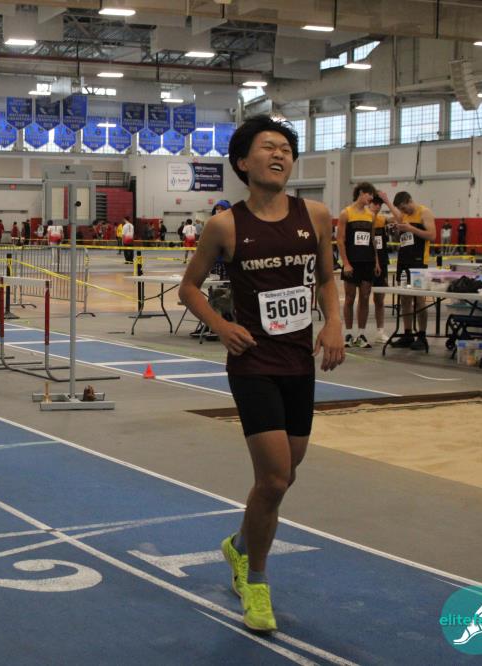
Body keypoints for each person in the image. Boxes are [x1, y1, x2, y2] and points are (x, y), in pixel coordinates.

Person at [178, 115, 344, 633]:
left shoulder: (315, 215)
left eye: (286, 149)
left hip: (298, 361)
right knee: (272, 477)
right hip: (252, 362)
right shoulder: (225, 225)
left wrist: (334, 322)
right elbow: (189, 287)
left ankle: (239, 544)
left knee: (286, 474)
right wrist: (221, 325)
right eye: (268, 147)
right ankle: (255, 580)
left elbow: (327, 278)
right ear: (243, 162)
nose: (279, 155)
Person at [390, 191, 436, 351]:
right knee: (404, 299)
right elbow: (402, 239)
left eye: (404, 208)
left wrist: (411, 228)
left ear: (410, 201)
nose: (403, 212)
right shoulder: (403, 216)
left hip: (418, 261)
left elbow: (432, 236)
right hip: (404, 260)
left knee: (419, 299)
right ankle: (407, 333)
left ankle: (422, 335)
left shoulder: (424, 212)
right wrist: (397, 232)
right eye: (400, 210)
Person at [337, 182, 379, 349]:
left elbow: (372, 240)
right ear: (361, 193)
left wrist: (376, 261)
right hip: (351, 262)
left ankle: (361, 334)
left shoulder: (371, 215)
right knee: (349, 298)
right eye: (369, 194)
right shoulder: (346, 213)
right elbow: (340, 240)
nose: (371, 198)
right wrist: (346, 263)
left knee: (365, 297)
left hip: (367, 262)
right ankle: (348, 334)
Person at [371, 192, 401, 344]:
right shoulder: (362, 219)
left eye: (379, 204)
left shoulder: (382, 219)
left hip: (382, 262)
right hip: (365, 261)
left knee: (380, 299)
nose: (377, 206)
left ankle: (380, 332)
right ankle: (357, 333)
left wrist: (388, 201)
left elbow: (399, 217)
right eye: (374, 203)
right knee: (362, 297)